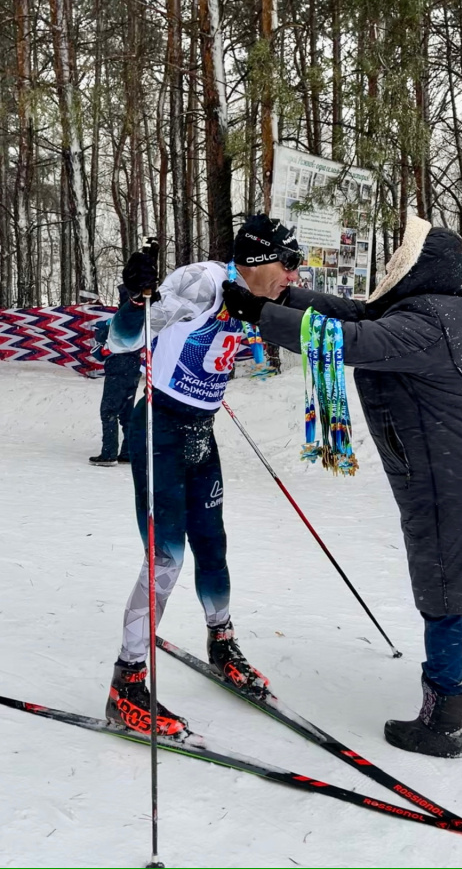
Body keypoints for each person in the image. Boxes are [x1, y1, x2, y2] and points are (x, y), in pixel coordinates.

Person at [223, 217, 462, 757]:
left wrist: (259, 313)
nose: (391, 266)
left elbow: (348, 338)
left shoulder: (425, 323)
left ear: (422, 267)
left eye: (399, 259)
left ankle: (442, 722)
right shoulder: (425, 311)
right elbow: (355, 313)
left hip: (458, 482)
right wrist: (288, 297)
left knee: (442, 588)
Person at [105, 216, 302, 735]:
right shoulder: (202, 283)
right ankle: (126, 682)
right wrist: (133, 296)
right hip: (161, 430)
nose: (294, 276)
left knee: (213, 545)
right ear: (259, 261)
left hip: (201, 431)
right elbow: (123, 341)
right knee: (166, 555)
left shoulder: (257, 296)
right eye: (288, 263)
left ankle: (222, 643)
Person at [89, 285, 142, 467]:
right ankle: (127, 451)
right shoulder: (144, 320)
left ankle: (109, 453)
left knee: (109, 411)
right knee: (127, 413)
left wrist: (104, 347)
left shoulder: (112, 323)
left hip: (117, 368)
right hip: (134, 369)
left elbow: (97, 352)